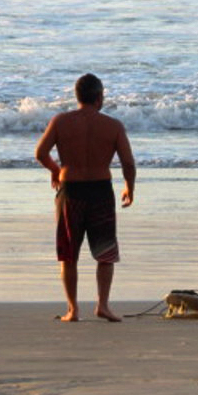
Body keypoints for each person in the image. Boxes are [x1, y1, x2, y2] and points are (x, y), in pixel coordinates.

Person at [35, 73, 136, 322]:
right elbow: (128, 163)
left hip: (71, 192)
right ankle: (102, 305)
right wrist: (129, 187)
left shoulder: (61, 121)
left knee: (69, 254)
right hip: (100, 191)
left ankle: (73, 309)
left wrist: (56, 170)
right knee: (105, 253)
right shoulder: (113, 126)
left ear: (77, 96)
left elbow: (40, 153)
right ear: (100, 97)